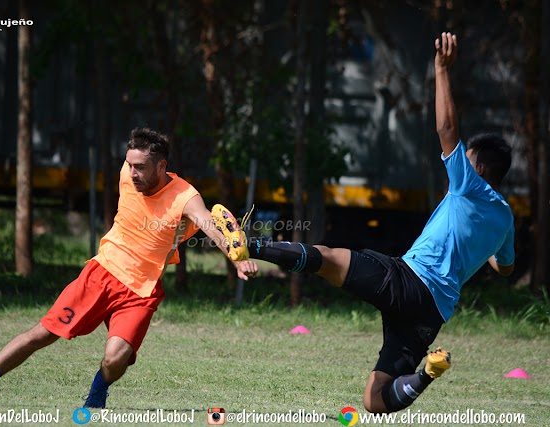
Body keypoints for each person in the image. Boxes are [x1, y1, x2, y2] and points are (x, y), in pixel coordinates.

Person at [214, 32, 515, 414]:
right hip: (433, 313)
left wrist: (441, 69)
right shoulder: (505, 218)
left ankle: (248, 244)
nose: (460, 164)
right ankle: (428, 373)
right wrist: (483, 252)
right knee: (374, 400)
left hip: (409, 279)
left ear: (481, 168)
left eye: (467, 160)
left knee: (327, 257)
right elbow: (505, 267)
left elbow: (446, 131)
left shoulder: (469, 183)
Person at [0, 127, 258, 408]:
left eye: (141, 167)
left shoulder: (185, 196)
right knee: (43, 333)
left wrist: (235, 255)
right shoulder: (129, 173)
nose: (132, 173)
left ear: (161, 166)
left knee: (115, 358)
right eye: (129, 164)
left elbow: (208, 223)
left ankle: (97, 391)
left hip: (142, 290)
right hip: (101, 274)